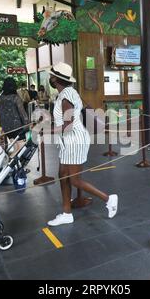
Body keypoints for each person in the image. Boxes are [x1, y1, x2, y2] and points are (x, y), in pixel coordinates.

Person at [47, 62, 118, 226]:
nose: (50, 78)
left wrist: (48, 130)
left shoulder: (66, 96)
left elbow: (69, 123)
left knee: (74, 180)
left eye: (51, 75)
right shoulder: (67, 93)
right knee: (63, 176)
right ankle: (66, 213)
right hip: (68, 141)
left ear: (56, 78)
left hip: (74, 140)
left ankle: (109, 199)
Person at [0, 77, 29, 157]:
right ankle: (10, 164)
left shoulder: (0, 98)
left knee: (16, 148)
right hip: (17, 127)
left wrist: (2, 127)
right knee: (21, 148)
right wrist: (27, 124)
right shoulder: (15, 98)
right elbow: (22, 113)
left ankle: (13, 165)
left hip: (7, 128)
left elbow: (0, 113)